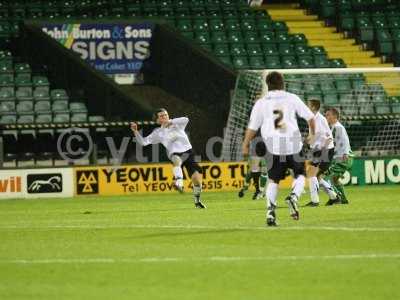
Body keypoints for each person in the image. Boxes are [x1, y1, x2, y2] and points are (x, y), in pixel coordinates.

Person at [242, 71, 315, 226]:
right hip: (293, 143)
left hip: (273, 146)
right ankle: (294, 197)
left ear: (267, 85)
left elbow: (252, 127)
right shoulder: (292, 98)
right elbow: (310, 117)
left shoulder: (261, 102)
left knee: (273, 180)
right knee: (300, 174)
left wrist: (246, 144)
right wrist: (312, 134)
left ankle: (270, 212)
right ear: (283, 83)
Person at [130, 108, 206, 209]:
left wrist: (171, 121)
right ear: (157, 121)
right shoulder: (158, 132)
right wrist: (135, 131)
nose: (165, 117)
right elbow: (144, 142)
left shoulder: (177, 124)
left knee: (196, 180)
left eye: (165, 114)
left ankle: (197, 201)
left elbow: (186, 119)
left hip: (188, 153)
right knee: (176, 160)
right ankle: (179, 182)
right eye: (161, 116)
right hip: (174, 153)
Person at [305, 99, 340, 207]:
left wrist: (322, 151)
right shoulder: (312, 118)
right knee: (317, 176)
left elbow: (329, 137)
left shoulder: (319, 119)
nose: (306, 107)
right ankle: (334, 197)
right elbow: (314, 134)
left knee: (311, 174)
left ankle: (315, 201)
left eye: (308, 105)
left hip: (324, 150)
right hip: (318, 150)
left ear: (314, 108)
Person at [323, 107, 353, 205]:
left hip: (343, 158)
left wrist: (345, 153)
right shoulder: (332, 127)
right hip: (339, 158)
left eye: (328, 115)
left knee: (325, 177)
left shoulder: (338, 127)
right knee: (334, 179)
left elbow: (345, 140)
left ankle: (336, 198)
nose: (326, 116)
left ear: (334, 116)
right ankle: (343, 200)